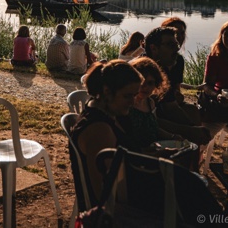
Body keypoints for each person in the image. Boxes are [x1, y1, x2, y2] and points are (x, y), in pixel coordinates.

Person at [70, 60, 142, 210]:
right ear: (107, 91)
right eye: (127, 96)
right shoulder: (99, 130)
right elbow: (103, 193)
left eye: (135, 95)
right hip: (120, 208)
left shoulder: (107, 111)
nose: (133, 102)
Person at [145, 26, 210, 146]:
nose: (176, 50)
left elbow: (171, 106)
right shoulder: (143, 73)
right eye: (170, 45)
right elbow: (147, 121)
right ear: (153, 48)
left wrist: (195, 128)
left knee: (192, 112)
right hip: (141, 131)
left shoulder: (163, 69)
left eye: (176, 45)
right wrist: (189, 130)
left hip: (158, 116)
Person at [119, 57, 178, 151]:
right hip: (137, 152)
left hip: (155, 147)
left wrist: (173, 137)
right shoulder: (127, 104)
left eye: (150, 83)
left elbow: (154, 127)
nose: (145, 87)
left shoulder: (150, 103)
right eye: (141, 83)